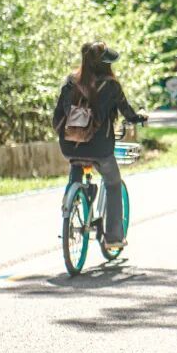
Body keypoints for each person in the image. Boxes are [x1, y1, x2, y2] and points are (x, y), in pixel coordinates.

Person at [52, 41, 147, 251]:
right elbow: (128, 113)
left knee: (77, 164)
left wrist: (71, 133)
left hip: (70, 146)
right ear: (105, 63)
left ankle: (71, 202)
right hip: (100, 149)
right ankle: (113, 238)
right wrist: (139, 116)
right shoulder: (111, 86)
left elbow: (57, 116)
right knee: (113, 183)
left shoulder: (70, 82)